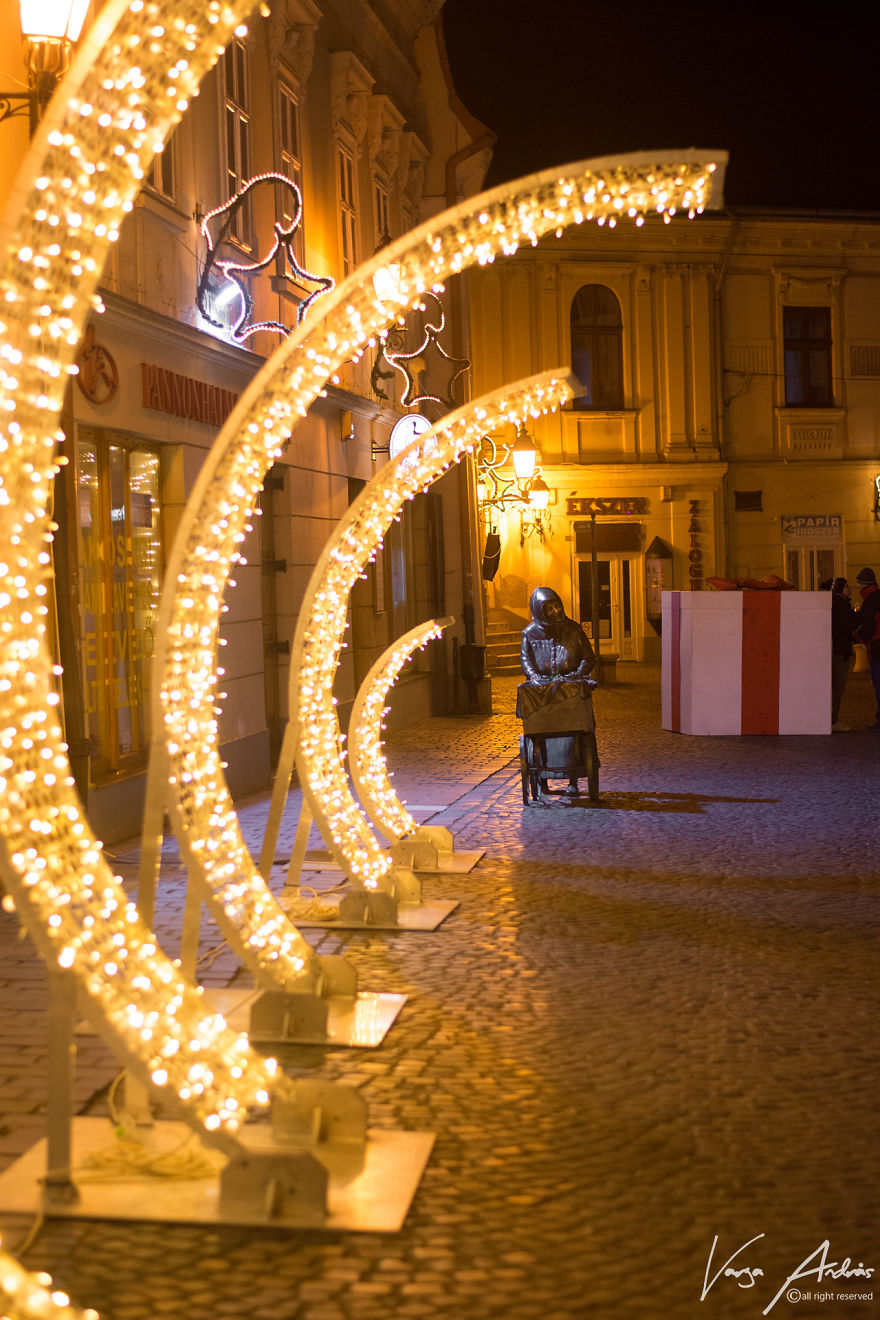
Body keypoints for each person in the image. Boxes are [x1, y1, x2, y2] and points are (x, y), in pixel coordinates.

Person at [520, 587, 596, 795]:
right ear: (539, 611)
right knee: (541, 731)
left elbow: (588, 657)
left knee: (573, 730)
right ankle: (542, 779)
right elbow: (525, 660)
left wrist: (576, 675)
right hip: (541, 689)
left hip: (569, 687)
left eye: (557, 606)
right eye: (549, 608)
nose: (555, 612)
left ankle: (572, 779)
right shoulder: (529, 633)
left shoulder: (573, 629)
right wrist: (535, 678)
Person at [821, 577, 856, 730]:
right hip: (840, 651)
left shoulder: (832, 602)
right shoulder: (840, 603)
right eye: (846, 586)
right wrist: (861, 616)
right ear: (839, 589)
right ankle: (832, 720)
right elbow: (849, 624)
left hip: (834, 649)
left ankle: (831, 719)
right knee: (837, 686)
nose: (850, 589)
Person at [854, 567, 880, 729]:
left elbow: (869, 625)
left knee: (878, 684)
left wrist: (858, 635)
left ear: (864, 585)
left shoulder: (871, 600)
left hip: (877, 647)